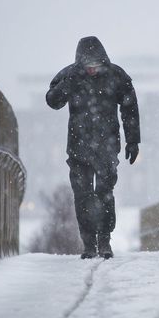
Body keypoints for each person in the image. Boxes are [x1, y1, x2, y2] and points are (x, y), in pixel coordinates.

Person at [46, 36, 140, 259]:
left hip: (107, 148)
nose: (92, 71)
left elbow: (130, 109)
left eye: (96, 66)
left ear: (103, 61)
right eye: (88, 66)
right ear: (80, 63)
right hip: (78, 149)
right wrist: (70, 82)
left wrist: (133, 140)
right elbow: (52, 101)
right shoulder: (69, 75)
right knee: (83, 196)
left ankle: (105, 241)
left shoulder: (116, 76)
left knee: (105, 194)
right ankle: (88, 244)